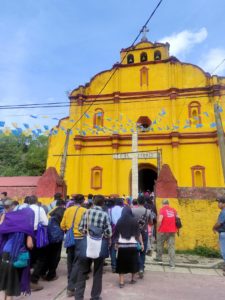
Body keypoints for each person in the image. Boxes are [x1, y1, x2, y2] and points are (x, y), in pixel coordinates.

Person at [75, 195, 112, 300]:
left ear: (93, 202)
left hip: (86, 244)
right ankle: (95, 296)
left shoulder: (86, 212)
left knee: (82, 271)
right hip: (99, 246)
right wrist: (99, 234)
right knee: (98, 272)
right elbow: (109, 233)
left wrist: (89, 233)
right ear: (103, 203)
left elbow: (80, 228)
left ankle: (78, 296)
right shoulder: (105, 215)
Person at [0, 199, 34, 300]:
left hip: (5, 253)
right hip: (16, 256)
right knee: (11, 283)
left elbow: (1, 230)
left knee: (3, 283)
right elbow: (30, 245)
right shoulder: (26, 226)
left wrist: (3, 217)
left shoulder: (8, 221)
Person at [60, 194, 87, 297]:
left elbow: (62, 225)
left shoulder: (68, 210)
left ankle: (69, 281)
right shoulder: (84, 211)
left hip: (69, 238)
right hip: (80, 238)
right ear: (83, 201)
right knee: (77, 262)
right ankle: (71, 287)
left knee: (70, 261)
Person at [115, 206, 143, 288]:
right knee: (133, 262)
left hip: (122, 245)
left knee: (121, 264)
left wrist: (116, 244)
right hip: (133, 245)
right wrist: (142, 244)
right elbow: (138, 234)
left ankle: (121, 282)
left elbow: (116, 235)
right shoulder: (134, 221)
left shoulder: (119, 221)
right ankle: (133, 279)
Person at [42, 199, 66, 281]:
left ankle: (42, 272)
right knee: (55, 256)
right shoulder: (63, 211)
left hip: (48, 234)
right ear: (63, 205)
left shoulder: (51, 210)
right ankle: (51, 275)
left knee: (47, 254)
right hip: (57, 236)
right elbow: (63, 225)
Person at [29, 195, 49, 291]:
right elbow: (45, 222)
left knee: (29, 257)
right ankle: (33, 280)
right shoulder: (39, 209)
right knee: (41, 258)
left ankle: (24, 278)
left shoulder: (24, 208)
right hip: (36, 235)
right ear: (37, 201)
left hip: (25, 235)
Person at [132, 195, 152, 278]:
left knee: (135, 249)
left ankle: (137, 266)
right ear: (144, 202)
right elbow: (151, 222)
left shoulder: (132, 210)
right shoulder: (148, 211)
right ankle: (141, 268)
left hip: (134, 232)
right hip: (144, 232)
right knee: (143, 251)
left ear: (138, 202)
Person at [155, 199, 178, 268]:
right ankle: (172, 264)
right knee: (171, 247)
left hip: (163, 231)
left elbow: (159, 220)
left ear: (163, 204)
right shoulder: (173, 210)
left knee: (160, 244)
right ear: (168, 204)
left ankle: (159, 260)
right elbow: (178, 218)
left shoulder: (162, 210)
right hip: (172, 231)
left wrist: (157, 228)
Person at [108, 197, 124, 272]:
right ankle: (121, 265)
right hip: (122, 230)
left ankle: (114, 266)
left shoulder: (110, 210)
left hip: (113, 230)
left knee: (113, 248)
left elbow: (109, 221)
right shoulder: (123, 209)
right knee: (121, 247)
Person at [213, 197, 225, 276]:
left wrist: (213, 227)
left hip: (224, 233)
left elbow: (219, 223)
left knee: (224, 252)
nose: (218, 204)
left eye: (219, 202)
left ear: (223, 203)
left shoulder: (223, 212)